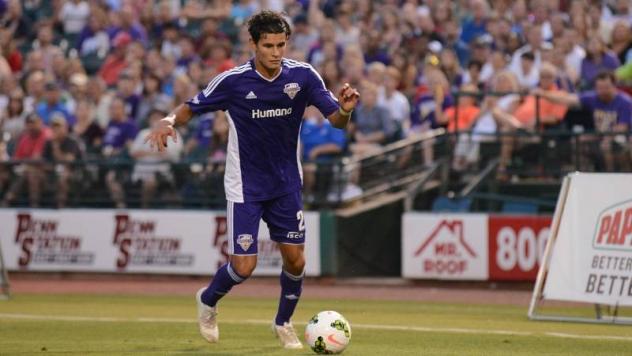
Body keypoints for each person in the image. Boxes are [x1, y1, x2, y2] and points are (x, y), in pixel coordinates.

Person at [144, 11, 359, 349]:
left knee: (297, 260)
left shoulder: (303, 76)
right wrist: (168, 119)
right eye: (268, 45)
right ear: (254, 44)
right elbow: (192, 105)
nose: (276, 52)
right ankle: (209, 299)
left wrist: (345, 110)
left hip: (286, 183)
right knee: (244, 266)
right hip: (245, 185)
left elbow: (336, 120)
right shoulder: (233, 81)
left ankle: (284, 322)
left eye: (281, 45)